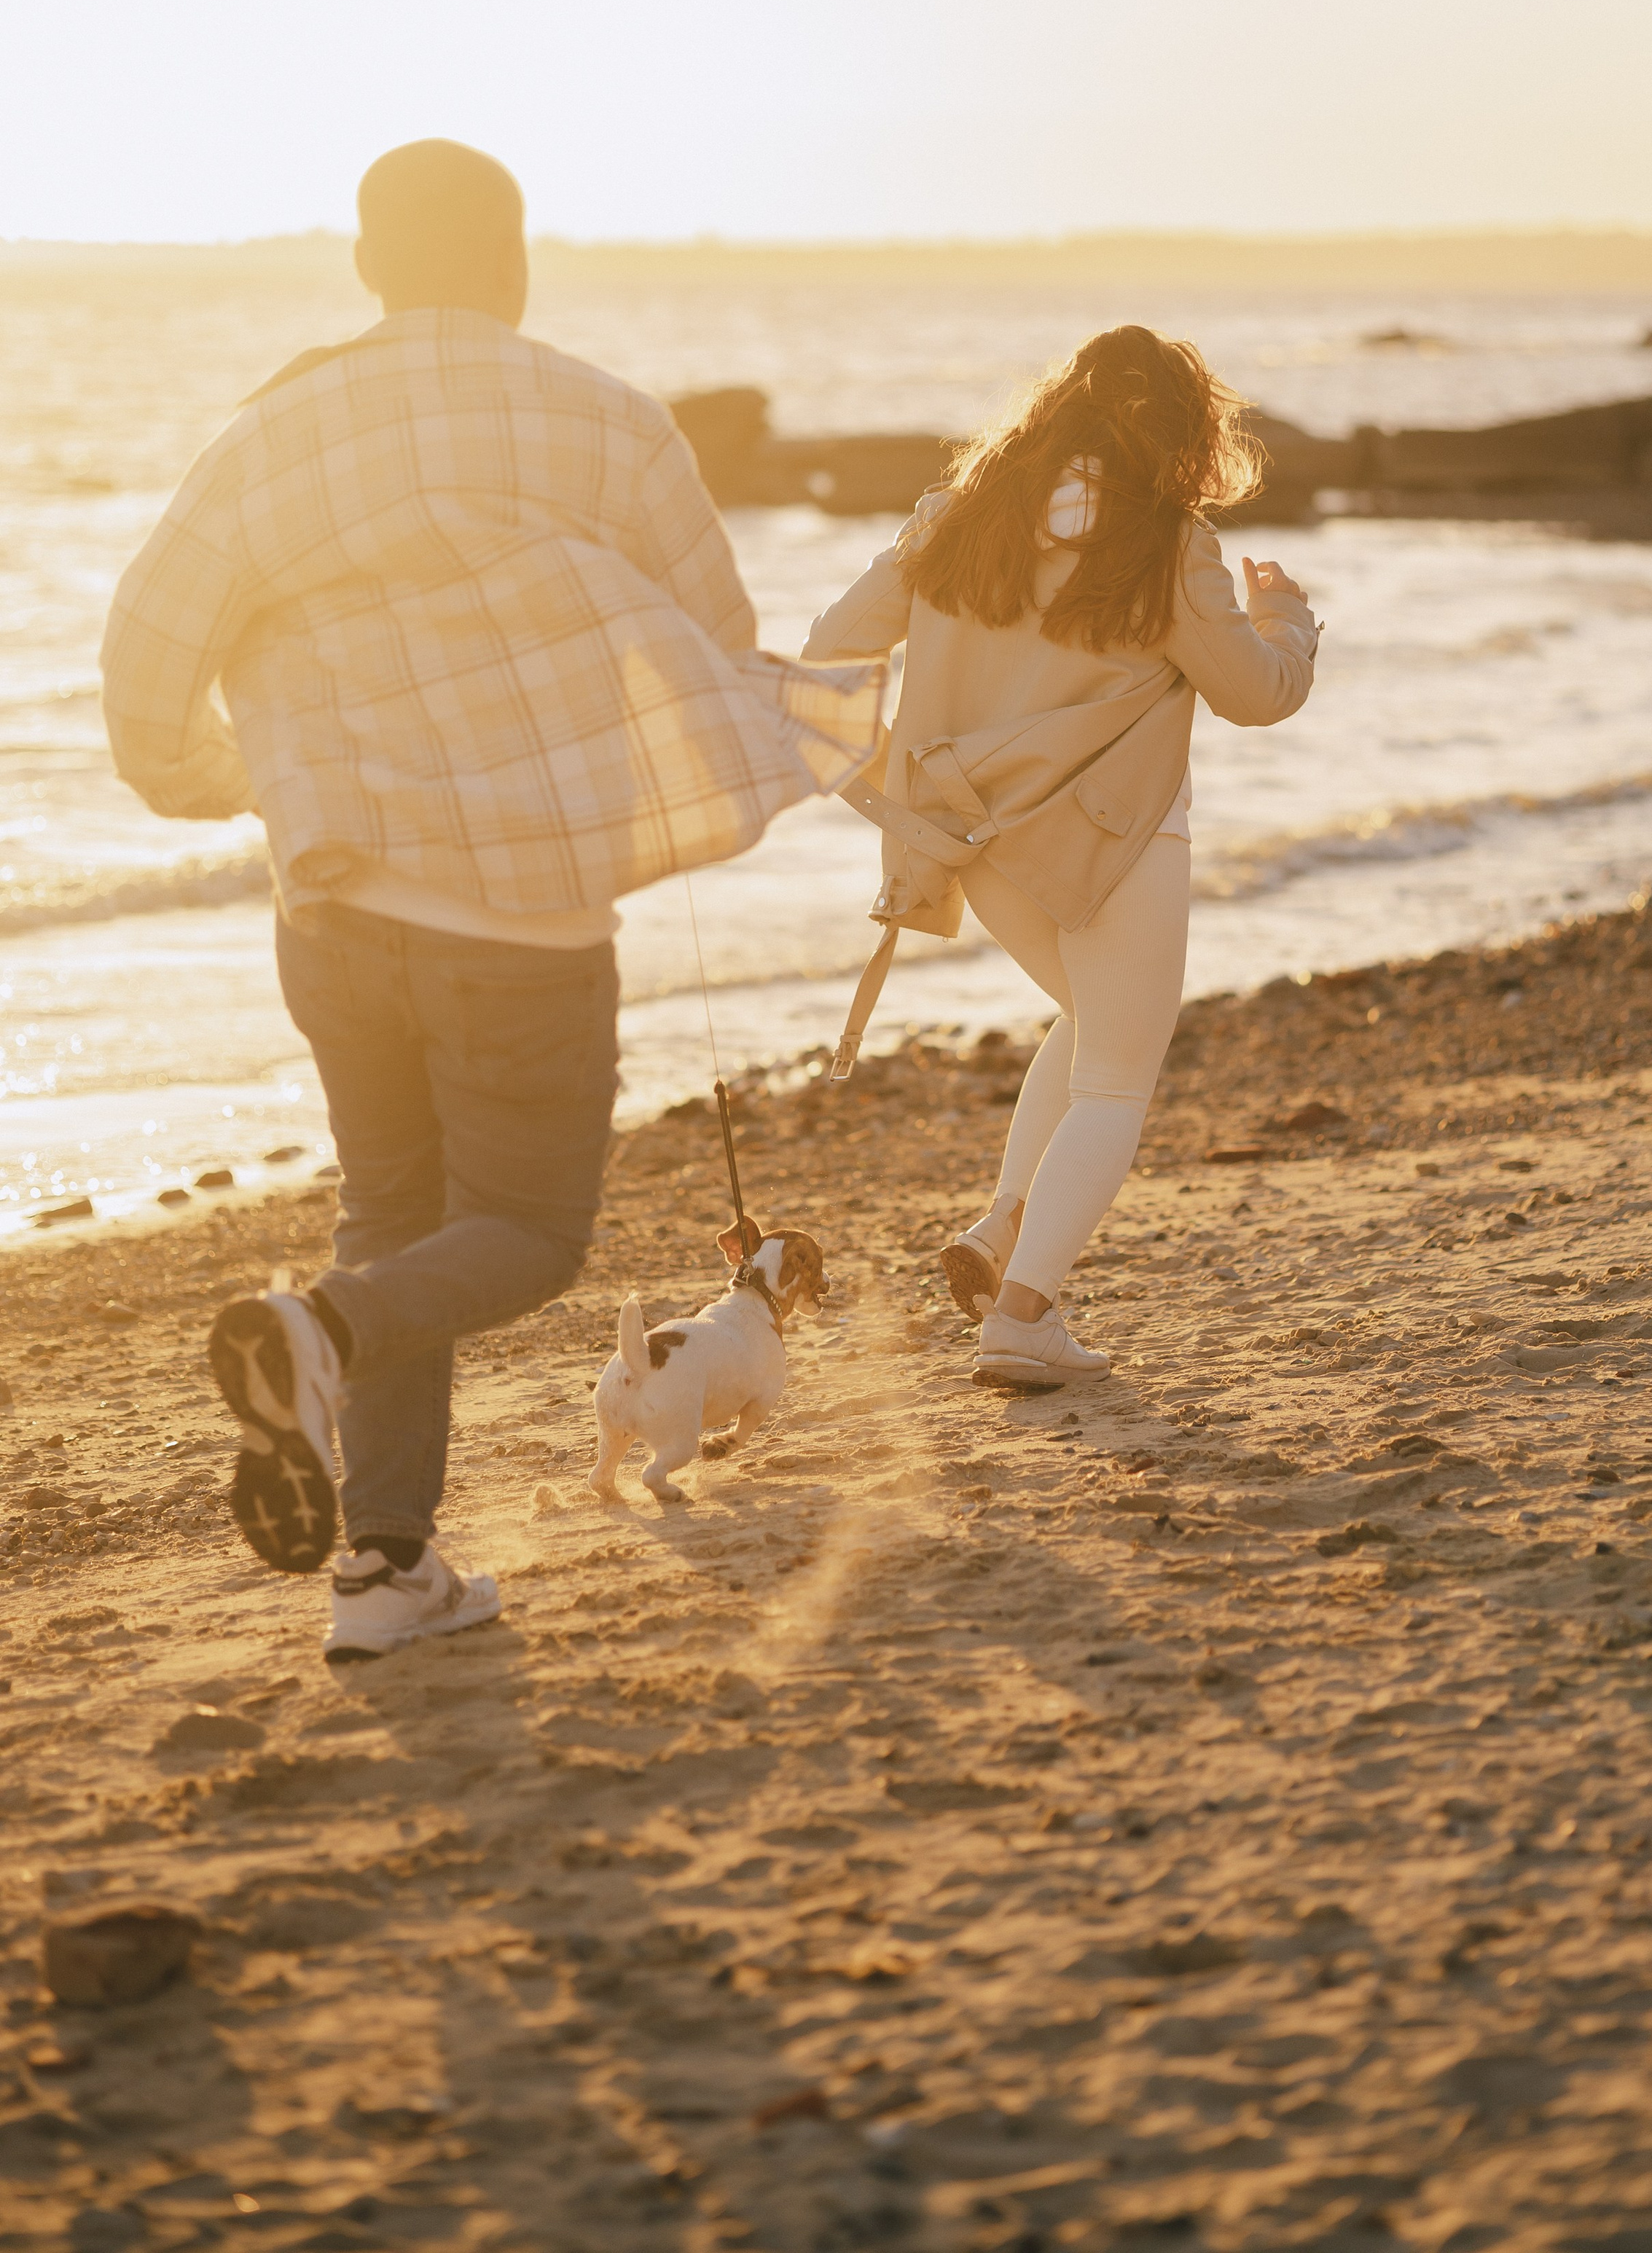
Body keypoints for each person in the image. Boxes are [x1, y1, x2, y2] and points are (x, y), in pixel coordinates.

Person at [101, 140, 879, 1658]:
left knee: (395, 1217)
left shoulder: (273, 433)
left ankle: (387, 1570)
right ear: (514, 262)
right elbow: (712, 643)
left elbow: (143, 668)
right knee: (522, 1230)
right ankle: (317, 1338)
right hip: (519, 913)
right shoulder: (605, 420)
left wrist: (242, 781)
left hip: (333, 902)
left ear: (368, 267)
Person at [804, 325, 1318, 1389]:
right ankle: (1024, 1317)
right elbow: (1255, 695)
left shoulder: (956, 521)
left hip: (979, 838)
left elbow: (831, 646)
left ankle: (1004, 1231)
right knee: (1119, 1084)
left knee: (1091, 1029)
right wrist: (1288, 619)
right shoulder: (1169, 543)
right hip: (1120, 841)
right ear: (1180, 433)